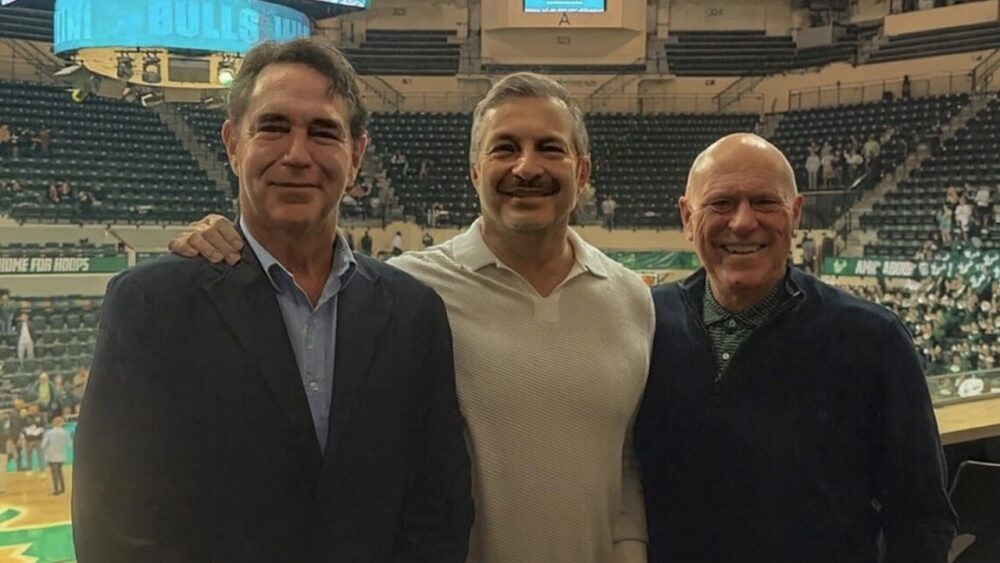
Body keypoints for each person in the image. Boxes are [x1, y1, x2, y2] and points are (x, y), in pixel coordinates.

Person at [170, 71, 653, 562]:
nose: (525, 167)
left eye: (550, 148)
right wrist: (224, 238)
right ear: (474, 171)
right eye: (504, 148)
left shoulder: (632, 300)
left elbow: (626, 462)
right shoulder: (403, 294)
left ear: (584, 171)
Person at [73, 37, 473, 563]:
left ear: (356, 157)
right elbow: (112, 526)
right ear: (233, 142)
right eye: (273, 126)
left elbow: (438, 508)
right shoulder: (150, 304)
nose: (297, 154)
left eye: (323, 131)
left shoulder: (414, 312)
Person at [634, 133, 956, 563]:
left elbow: (921, 516)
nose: (744, 222)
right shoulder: (644, 325)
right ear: (687, 217)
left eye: (765, 202)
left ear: (797, 214)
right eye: (722, 203)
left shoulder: (873, 338)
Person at [41, 416, 70, 495]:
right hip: (61, 455)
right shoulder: (65, 433)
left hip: (52, 455)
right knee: (60, 473)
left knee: (54, 474)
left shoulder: (49, 433)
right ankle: (63, 489)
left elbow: (43, 445)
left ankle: (56, 489)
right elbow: (69, 444)